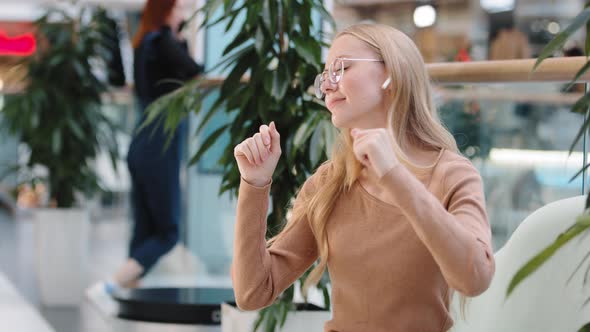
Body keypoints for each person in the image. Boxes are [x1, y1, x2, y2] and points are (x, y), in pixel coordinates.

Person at [231, 23, 495, 331]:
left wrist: (394, 176)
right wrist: (254, 184)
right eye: (324, 75)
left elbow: (475, 277)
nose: (327, 86)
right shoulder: (329, 182)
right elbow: (253, 292)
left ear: (391, 75)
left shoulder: (452, 174)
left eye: (341, 68)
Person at [86, 0, 203, 314]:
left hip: (142, 143)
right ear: (167, 10)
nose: (184, 13)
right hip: (159, 145)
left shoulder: (144, 42)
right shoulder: (163, 39)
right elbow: (194, 70)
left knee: (144, 230)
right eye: (180, 8)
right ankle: (110, 286)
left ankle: (128, 299)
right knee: (168, 233)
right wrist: (182, 35)